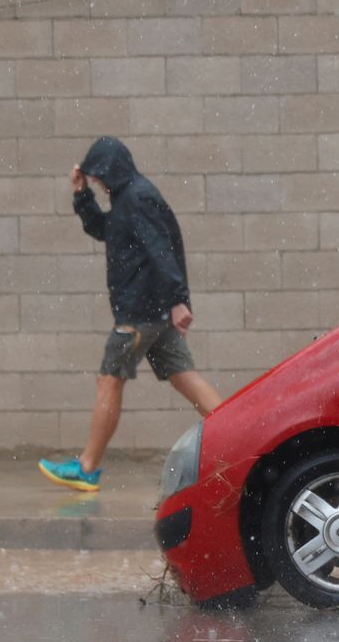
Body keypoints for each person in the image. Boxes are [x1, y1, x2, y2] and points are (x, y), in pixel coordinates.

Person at [37, 137, 223, 493]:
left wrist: (178, 300)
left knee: (109, 380)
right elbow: (104, 230)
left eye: (96, 178)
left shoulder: (137, 197)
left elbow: (161, 249)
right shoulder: (130, 197)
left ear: (109, 170)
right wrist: (81, 196)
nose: (96, 183)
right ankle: (243, 441)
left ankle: (87, 467)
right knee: (184, 377)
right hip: (153, 312)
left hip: (139, 314)